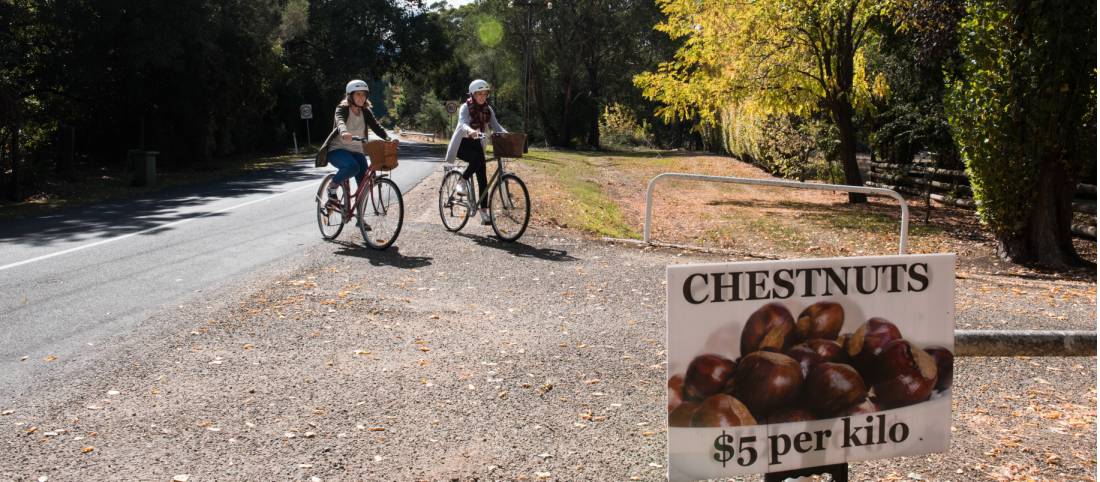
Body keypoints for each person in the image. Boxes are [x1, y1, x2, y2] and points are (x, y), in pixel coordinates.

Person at [319, 79, 394, 207]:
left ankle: (360, 219)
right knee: (352, 167)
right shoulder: (342, 108)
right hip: (338, 150)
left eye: (364, 94)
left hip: (357, 150)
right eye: (358, 94)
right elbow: (340, 121)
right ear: (350, 95)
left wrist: (388, 139)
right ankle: (332, 187)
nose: (361, 97)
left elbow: (376, 126)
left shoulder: (365, 111)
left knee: (364, 186)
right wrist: (344, 132)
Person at [444, 79, 507, 225]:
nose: (482, 97)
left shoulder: (487, 109)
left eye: (485, 94)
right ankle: (462, 180)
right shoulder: (465, 107)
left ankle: (484, 212)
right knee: (477, 160)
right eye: (479, 94)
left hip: (477, 143)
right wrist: (472, 131)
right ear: (473, 94)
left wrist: (508, 134)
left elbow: (497, 126)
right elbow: (462, 124)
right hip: (462, 143)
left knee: (482, 178)